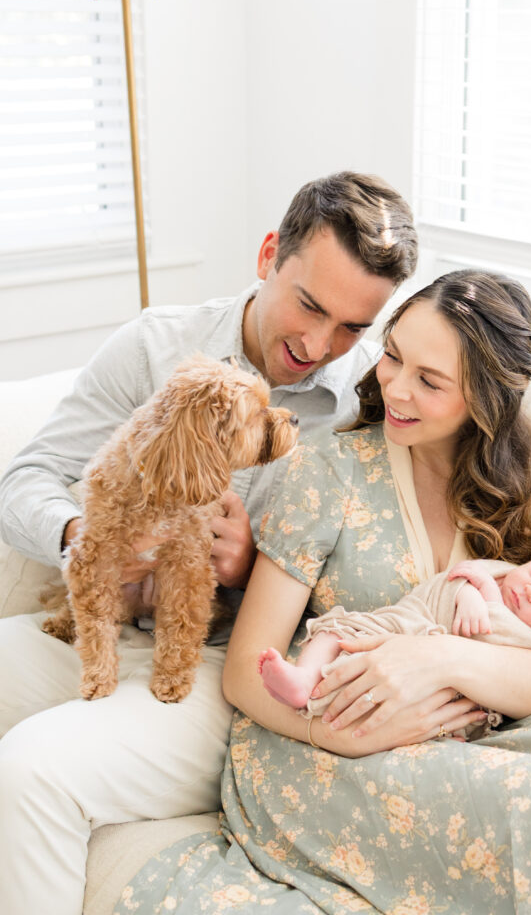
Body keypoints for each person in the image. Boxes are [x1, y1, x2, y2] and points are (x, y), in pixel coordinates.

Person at [116, 269, 531, 915]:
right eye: (391, 357)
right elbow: (246, 672)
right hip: (328, 745)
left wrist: (440, 661)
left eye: (429, 380)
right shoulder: (327, 472)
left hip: (479, 734)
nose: (395, 387)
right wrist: (340, 737)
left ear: (486, 399)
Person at [0, 171, 418, 915]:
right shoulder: (158, 345)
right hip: (105, 621)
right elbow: (27, 478)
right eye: (309, 304)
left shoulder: (372, 406)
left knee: (32, 771)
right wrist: (78, 539)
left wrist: (256, 568)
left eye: (353, 327)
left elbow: (376, 592)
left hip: (227, 667)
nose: (317, 345)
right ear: (267, 256)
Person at [257, 550, 531, 732]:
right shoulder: (504, 573)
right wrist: (470, 589)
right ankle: (303, 680)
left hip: (438, 690)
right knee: (338, 630)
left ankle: (318, 693)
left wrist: (481, 594)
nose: (529, 590)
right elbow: (462, 574)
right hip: (403, 622)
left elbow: (491, 633)